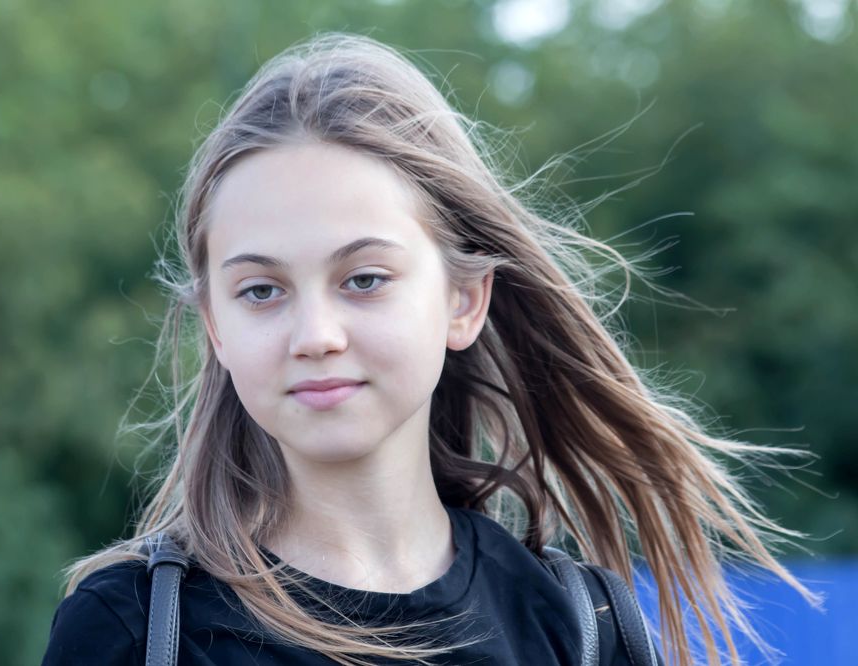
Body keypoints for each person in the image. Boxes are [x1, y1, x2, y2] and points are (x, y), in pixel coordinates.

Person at [40, 32, 820, 666]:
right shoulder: (137, 630)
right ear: (215, 325)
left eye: (364, 279)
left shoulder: (578, 627)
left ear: (463, 301)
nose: (315, 336)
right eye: (261, 291)